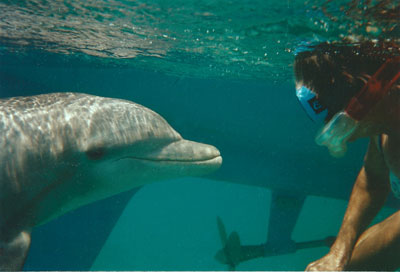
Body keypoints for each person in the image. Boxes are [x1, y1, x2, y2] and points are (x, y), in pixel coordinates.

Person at [295, 40, 400, 270]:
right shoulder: (386, 126)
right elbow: (372, 181)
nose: (347, 138)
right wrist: (339, 254)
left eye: (340, 125)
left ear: (365, 98)